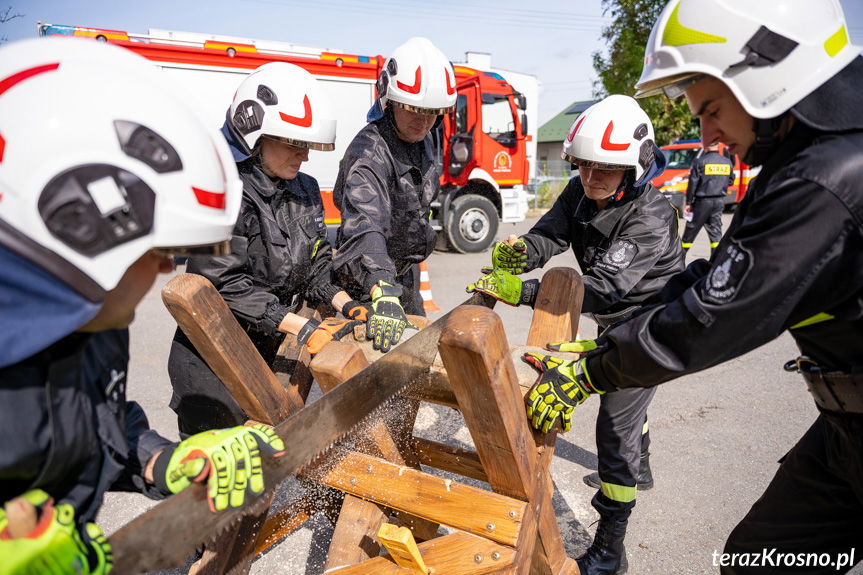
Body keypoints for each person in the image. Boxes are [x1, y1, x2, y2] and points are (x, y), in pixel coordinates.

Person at [520, 0, 863, 573]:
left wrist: (591, 370)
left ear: (767, 74)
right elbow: (713, 276)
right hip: (842, 424)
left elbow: (712, 318)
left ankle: (609, 547)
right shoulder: (803, 164)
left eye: (711, 108)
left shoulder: (827, 180)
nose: (707, 132)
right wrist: (605, 347)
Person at [0, 38, 286, 574]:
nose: (161, 269)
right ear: (75, 230)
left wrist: (163, 460)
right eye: (154, 249)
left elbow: (98, 424)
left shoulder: (95, 320)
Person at [467, 94, 684, 575]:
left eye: (605, 168)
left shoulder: (651, 216)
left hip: (650, 323)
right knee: (628, 406)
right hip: (613, 315)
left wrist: (523, 292)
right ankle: (642, 466)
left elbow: (604, 287)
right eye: (584, 165)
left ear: (635, 168)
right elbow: (550, 235)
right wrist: (521, 253)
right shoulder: (581, 191)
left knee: (615, 425)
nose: (591, 177)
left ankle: (610, 551)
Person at [168, 62, 365, 437]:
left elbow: (316, 266)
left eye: (307, 145)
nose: (304, 156)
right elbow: (222, 284)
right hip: (214, 359)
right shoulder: (226, 189)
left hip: (268, 348)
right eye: (294, 144)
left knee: (268, 453)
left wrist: (348, 304)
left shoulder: (305, 188)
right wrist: (303, 327)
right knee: (217, 465)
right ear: (254, 137)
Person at [332, 37, 456, 353]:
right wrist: (381, 286)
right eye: (415, 110)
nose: (423, 121)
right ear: (390, 100)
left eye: (432, 112)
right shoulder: (368, 154)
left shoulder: (425, 136)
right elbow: (365, 224)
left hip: (404, 272)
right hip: (367, 279)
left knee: (419, 354)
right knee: (374, 366)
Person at [681, 142, 734, 256]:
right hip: (719, 201)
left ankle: (677, 259)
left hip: (702, 202)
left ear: (706, 146)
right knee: (715, 233)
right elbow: (731, 181)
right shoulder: (727, 162)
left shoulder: (700, 162)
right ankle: (715, 260)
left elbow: (693, 184)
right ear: (717, 146)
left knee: (690, 231)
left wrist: (689, 202)